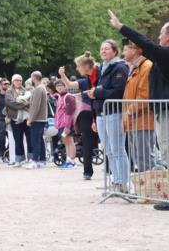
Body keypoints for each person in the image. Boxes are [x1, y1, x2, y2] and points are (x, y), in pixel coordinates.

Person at [109, 11, 169, 210]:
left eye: (162, 33)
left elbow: (145, 43)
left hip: (168, 110)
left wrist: (121, 26)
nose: (159, 36)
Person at [77, 40, 130, 191]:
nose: (103, 51)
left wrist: (97, 92)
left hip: (114, 111)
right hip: (101, 113)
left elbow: (118, 91)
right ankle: (116, 180)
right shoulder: (103, 68)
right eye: (101, 49)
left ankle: (123, 182)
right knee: (109, 150)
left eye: (107, 49)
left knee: (118, 148)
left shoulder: (119, 67)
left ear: (115, 51)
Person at [59, 52, 99, 180]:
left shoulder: (98, 75)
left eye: (78, 66)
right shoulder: (85, 80)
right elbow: (70, 85)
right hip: (88, 112)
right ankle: (88, 171)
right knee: (86, 141)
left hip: (98, 109)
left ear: (85, 65)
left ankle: (108, 170)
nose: (77, 69)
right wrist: (62, 75)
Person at [121, 39, 155, 174]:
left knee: (145, 158)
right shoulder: (135, 67)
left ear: (134, 50)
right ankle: (144, 190)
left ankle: (149, 191)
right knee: (138, 158)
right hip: (135, 120)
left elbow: (144, 95)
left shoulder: (146, 66)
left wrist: (129, 111)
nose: (124, 52)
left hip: (143, 120)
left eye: (125, 49)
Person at [4, 74, 29, 166]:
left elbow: (30, 101)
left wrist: (24, 103)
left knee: (29, 138)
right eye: (16, 80)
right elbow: (11, 103)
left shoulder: (26, 90)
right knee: (18, 139)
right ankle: (19, 159)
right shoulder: (9, 91)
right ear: (12, 81)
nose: (18, 82)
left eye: (20, 80)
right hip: (15, 118)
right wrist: (24, 105)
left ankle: (30, 158)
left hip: (26, 118)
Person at [26, 71, 49, 168]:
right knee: (40, 139)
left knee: (35, 140)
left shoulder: (38, 89)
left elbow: (35, 106)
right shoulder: (42, 88)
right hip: (42, 118)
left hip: (37, 119)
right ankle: (42, 160)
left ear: (34, 78)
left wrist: (30, 119)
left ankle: (35, 161)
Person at [53, 80, 78, 168]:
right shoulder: (59, 96)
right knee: (66, 142)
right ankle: (68, 160)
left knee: (70, 141)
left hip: (67, 124)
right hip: (61, 124)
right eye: (57, 86)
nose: (59, 87)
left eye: (61, 85)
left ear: (66, 86)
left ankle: (72, 161)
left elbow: (69, 113)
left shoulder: (68, 97)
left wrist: (67, 127)